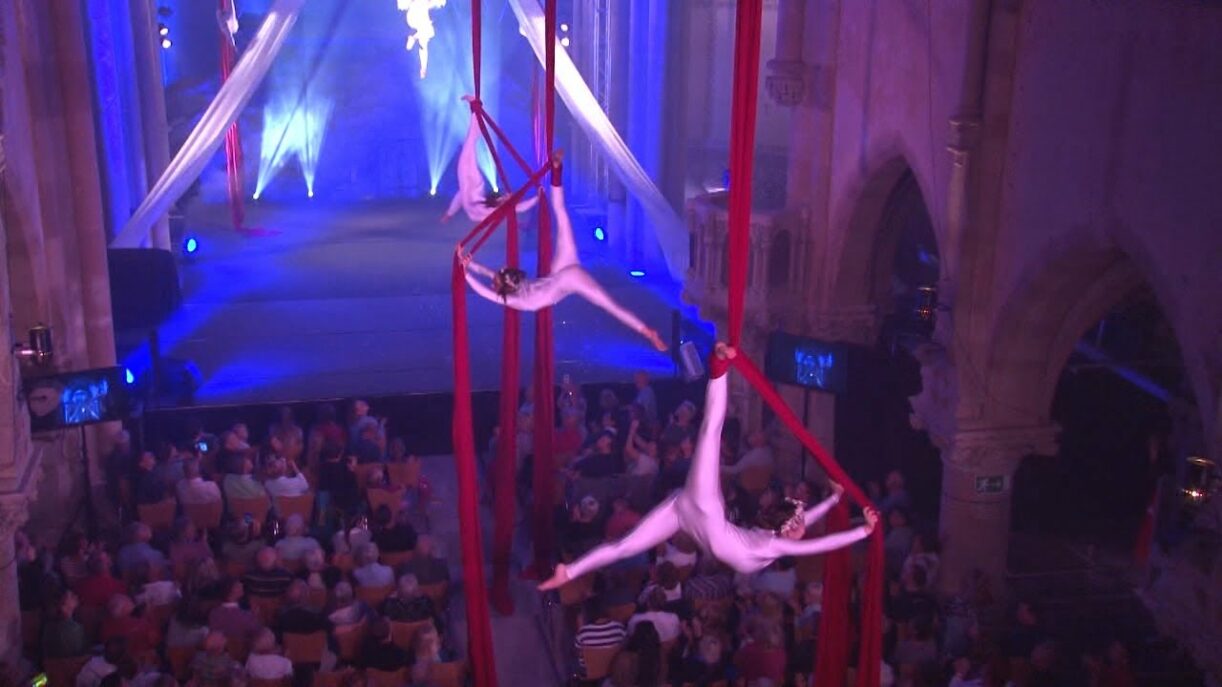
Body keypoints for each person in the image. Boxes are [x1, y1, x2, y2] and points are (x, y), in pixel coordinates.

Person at [540, 344, 876, 591]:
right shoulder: (773, 540)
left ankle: (568, 572)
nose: (804, 524)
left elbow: (814, 540)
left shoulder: (774, 539)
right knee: (709, 434)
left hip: (685, 514)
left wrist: (849, 518)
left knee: (625, 546)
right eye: (800, 521)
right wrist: (844, 512)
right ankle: (718, 368)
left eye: (799, 522)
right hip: (701, 510)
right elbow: (812, 539)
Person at [459, 153, 667, 352]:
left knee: (562, 217)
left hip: (561, 272)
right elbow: (485, 290)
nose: (495, 280)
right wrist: (467, 272)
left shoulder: (512, 295)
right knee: (609, 304)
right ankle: (647, 331)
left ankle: (557, 171)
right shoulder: (515, 299)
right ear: (508, 285)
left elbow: (488, 282)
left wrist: (469, 264)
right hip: (569, 279)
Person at [442, 98, 541, 224]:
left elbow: (461, 195)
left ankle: (476, 110)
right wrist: (536, 198)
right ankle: (476, 110)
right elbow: (519, 207)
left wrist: (450, 213)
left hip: (469, 183)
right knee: (469, 144)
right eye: (504, 197)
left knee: (469, 143)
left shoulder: (486, 211)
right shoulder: (487, 210)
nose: (505, 197)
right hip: (474, 183)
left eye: (503, 198)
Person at [574, 598, 626, 676]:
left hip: (591, 676)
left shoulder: (584, 633)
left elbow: (580, 658)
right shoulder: (619, 629)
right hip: (614, 675)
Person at [399, 0, 447, 79]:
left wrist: (423, 67)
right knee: (426, 34)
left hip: (415, 16)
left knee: (425, 38)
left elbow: (423, 48)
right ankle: (413, 39)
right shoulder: (424, 22)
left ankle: (413, 39)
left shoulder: (424, 24)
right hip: (415, 15)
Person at [207, 577, 262, 644]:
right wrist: (256, 616)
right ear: (231, 591)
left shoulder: (213, 614)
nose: (241, 585)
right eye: (237, 585)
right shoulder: (246, 616)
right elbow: (258, 633)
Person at [43, 589, 88, 659]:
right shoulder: (76, 629)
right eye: (72, 596)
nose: (76, 597)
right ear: (63, 607)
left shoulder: (47, 627)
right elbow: (80, 654)